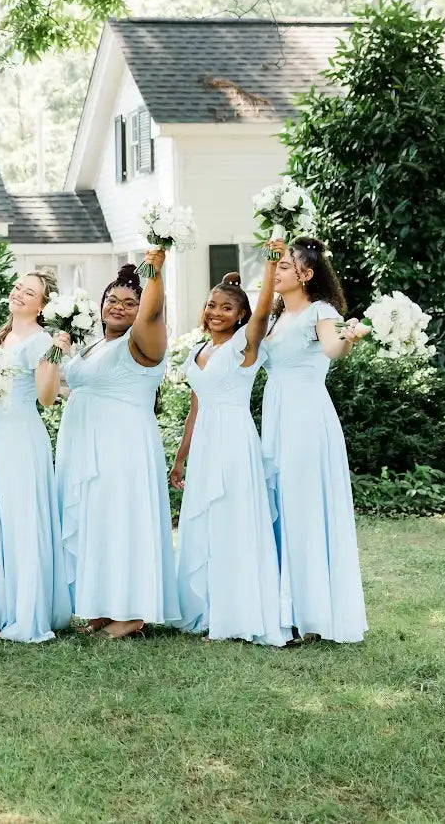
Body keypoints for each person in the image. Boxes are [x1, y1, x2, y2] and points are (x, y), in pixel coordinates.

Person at [55, 255, 178, 639]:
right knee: (99, 523)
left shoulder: (142, 340)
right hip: (86, 448)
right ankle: (103, 607)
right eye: (112, 299)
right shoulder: (94, 344)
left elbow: (153, 311)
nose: (119, 307)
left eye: (130, 303)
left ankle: (132, 612)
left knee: (124, 521)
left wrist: (155, 271)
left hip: (123, 447)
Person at [170, 272, 290, 646]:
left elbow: (264, 310)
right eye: (212, 305)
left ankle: (235, 615)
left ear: (240, 315)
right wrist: (180, 457)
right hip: (205, 443)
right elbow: (195, 410)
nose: (216, 312)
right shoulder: (197, 351)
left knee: (232, 519)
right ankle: (205, 610)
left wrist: (270, 266)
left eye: (226, 308)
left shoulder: (244, 344)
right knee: (204, 521)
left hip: (235, 440)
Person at [259, 236, 369, 644]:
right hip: (277, 413)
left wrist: (349, 336)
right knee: (280, 502)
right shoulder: (276, 317)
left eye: (285, 266)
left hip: (305, 416)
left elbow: (332, 348)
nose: (277, 272)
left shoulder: (321, 311)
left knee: (302, 504)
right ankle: (281, 607)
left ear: (305, 274)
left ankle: (309, 613)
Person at [0, 270, 71, 643]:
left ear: (42, 305)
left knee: (21, 519)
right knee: (1, 517)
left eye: (29, 293)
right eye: (18, 288)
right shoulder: (5, 336)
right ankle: (3, 607)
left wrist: (54, 356)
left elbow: (46, 397)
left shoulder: (41, 340)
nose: (19, 294)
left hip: (20, 438)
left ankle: (27, 613)